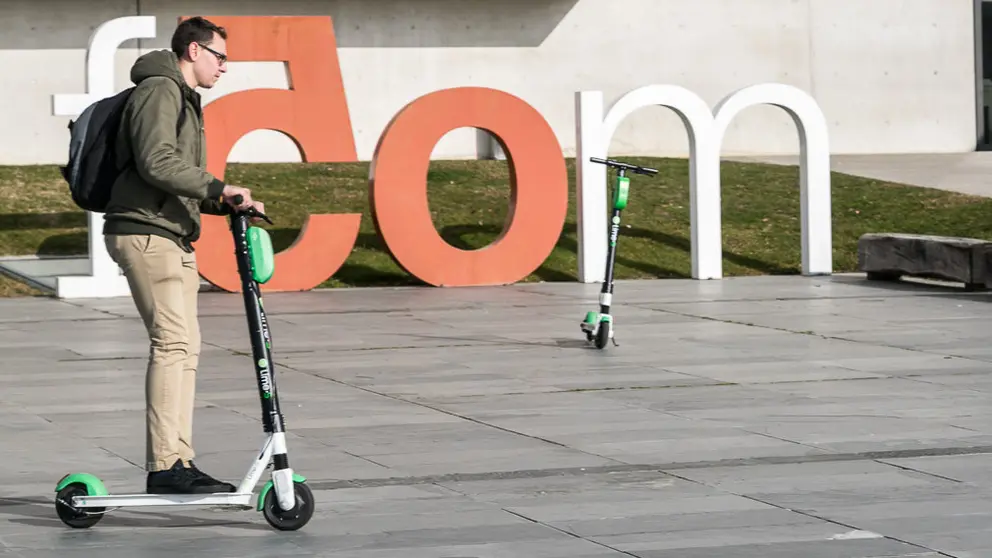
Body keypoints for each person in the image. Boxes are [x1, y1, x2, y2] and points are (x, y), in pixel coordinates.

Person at [102, 16, 262, 494]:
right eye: (220, 56)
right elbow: (156, 162)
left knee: (185, 348)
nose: (224, 67)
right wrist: (218, 186)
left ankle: (179, 460)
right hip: (147, 233)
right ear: (194, 50)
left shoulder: (183, 98)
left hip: (169, 232)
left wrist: (223, 202)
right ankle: (165, 465)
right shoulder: (160, 89)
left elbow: (175, 179)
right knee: (173, 345)